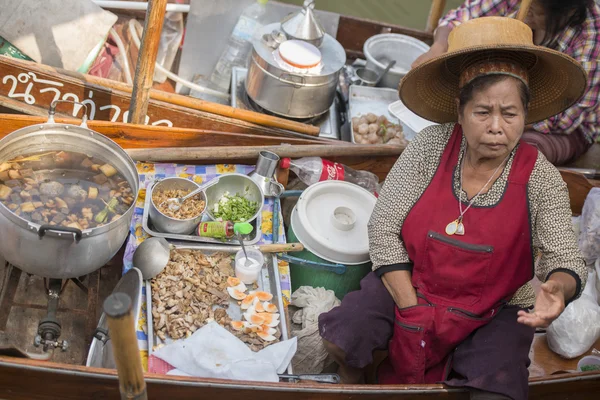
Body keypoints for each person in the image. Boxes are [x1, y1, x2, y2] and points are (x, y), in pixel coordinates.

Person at [318, 16, 588, 400]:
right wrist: (413, 312)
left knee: (496, 391)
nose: (497, 127)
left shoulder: (541, 178)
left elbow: (566, 258)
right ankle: (358, 383)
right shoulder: (430, 147)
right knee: (343, 337)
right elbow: (383, 227)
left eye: (510, 114)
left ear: (525, 116)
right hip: (414, 283)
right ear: (460, 113)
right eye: (482, 112)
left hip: (495, 309)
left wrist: (558, 289)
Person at [411, 0, 600, 166]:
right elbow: (459, 17)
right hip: (497, 97)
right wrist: (438, 47)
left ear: (568, 12)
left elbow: (565, 117)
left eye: (538, 11)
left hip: (561, 127)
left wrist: (495, 120)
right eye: (529, 6)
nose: (528, 12)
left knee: (511, 154)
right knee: (451, 138)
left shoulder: (592, 35)